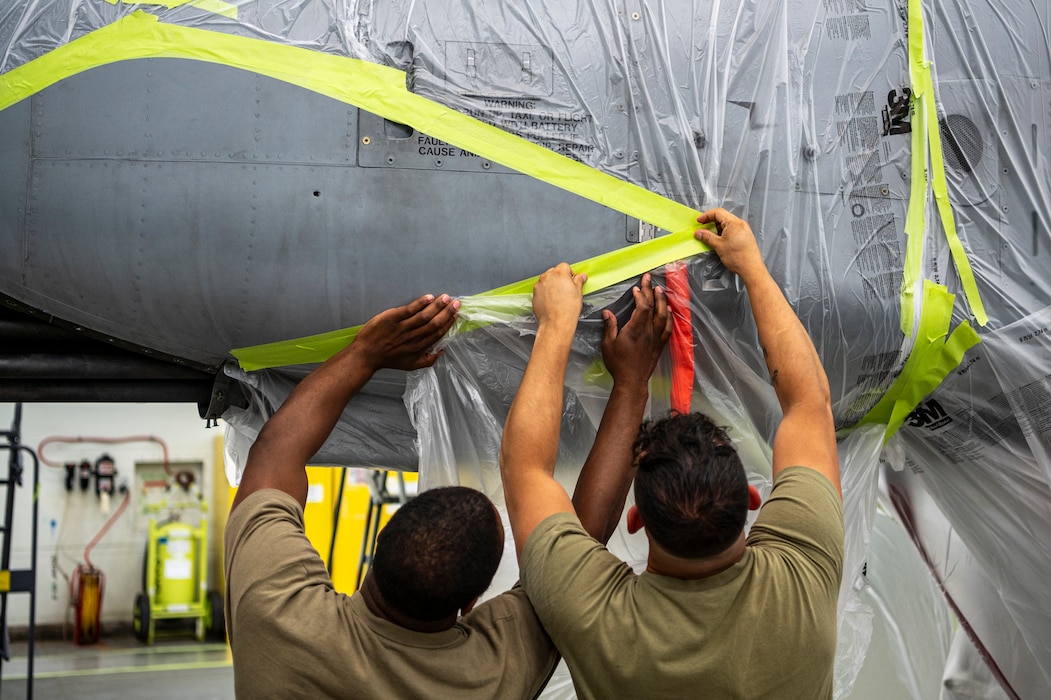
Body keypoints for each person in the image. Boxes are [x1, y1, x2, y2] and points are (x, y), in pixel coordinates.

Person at [500, 208, 844, 699]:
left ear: (635, 520)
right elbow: (810, 403)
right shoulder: (801, 582)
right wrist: (557, 320)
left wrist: (568, 338)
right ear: (751, 498)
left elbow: (528, 468)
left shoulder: (597, 617)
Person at [224, 293, 559, 699]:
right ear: (471, 602)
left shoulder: (280, 616)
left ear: (378, 545)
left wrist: (367, 352)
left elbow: (275, 453)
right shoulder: (494, 670)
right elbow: (579, 550)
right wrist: (630, 385)